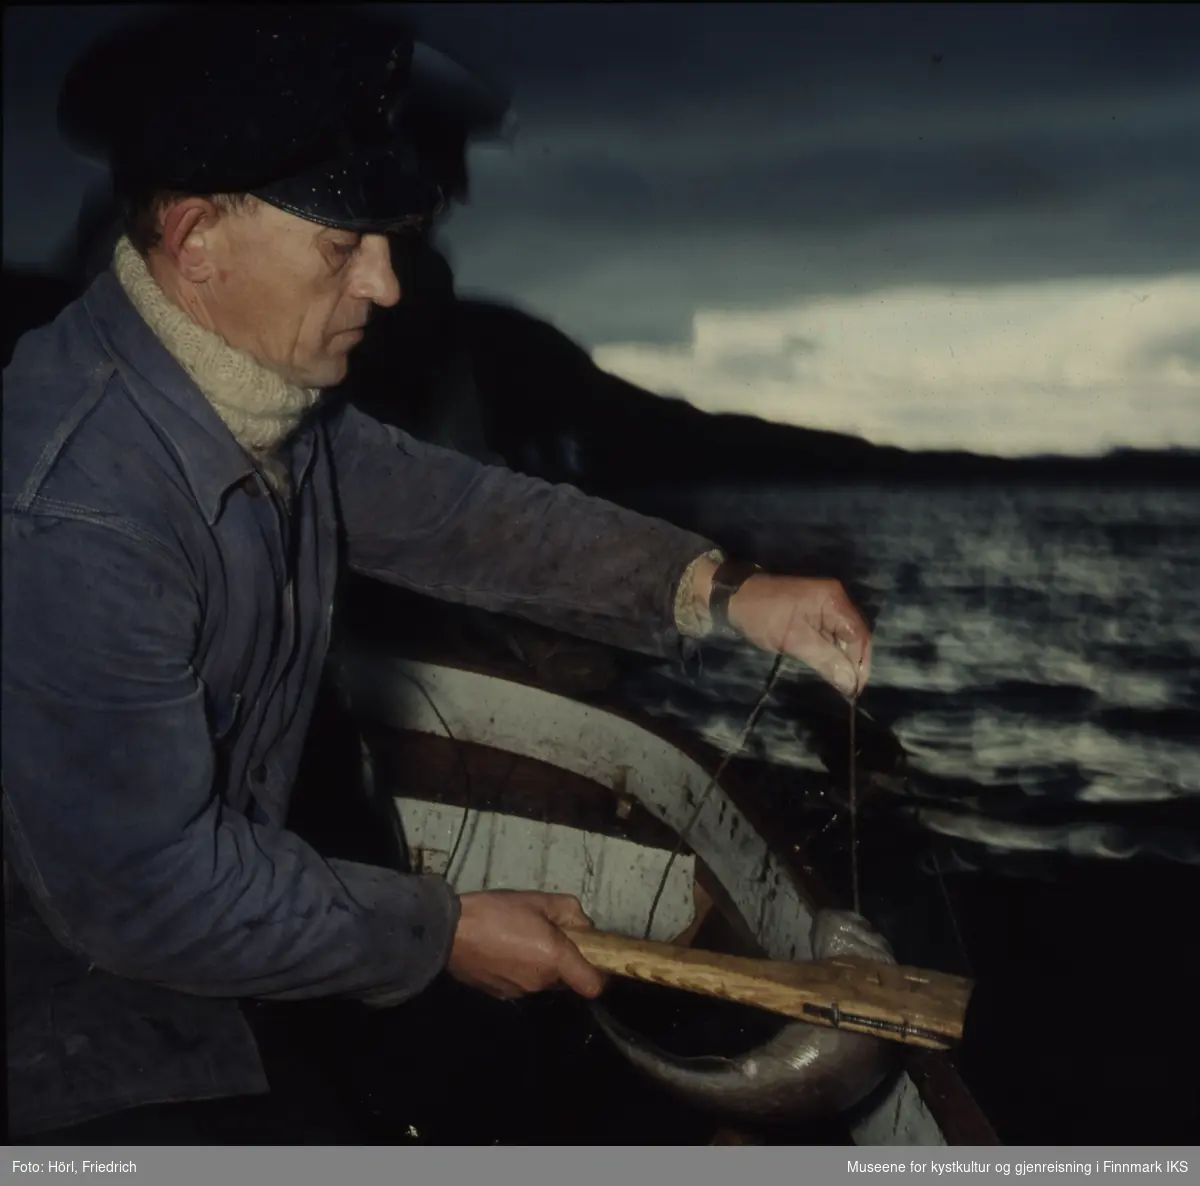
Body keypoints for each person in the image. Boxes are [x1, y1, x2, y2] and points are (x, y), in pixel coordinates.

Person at [1, 6, 872, 1140]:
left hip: (221, 914)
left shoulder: (257, 396)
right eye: (341, 247)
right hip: (69, 1020)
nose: (390, 287)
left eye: (389, 242)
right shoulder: (77, 509)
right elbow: (142, 897)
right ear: (197, 238)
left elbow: (463, 513)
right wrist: (444, 929)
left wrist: (718, 589)